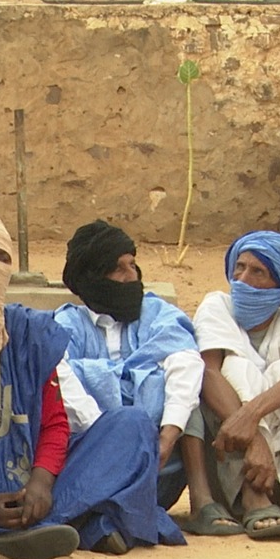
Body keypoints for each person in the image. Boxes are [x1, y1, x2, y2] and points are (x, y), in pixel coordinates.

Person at [0, 215, 185, 559]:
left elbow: (56, 421)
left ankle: (27, 526)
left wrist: (41, 484)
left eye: (2, 258)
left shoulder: (27, 333)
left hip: (38, 488)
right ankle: (46, 527)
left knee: (131, 426)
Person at [50, 219, 204, 511]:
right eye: (118, 268)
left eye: (132, 265)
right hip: (90, 461)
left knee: (188, 390)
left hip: (159, 463)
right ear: (93, 276)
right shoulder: (67, 323)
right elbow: (59, 376)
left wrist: (167, 437)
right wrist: (111, 440)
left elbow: (185, 364)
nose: (131, 276)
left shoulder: (158, 313)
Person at [186, 231, 280, 540]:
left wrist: (251, 416)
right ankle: (254, 496)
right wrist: (254, 440)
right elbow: (209, 372)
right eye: (239, 267)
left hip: (276, 451)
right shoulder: (217, 306)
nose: (242, 278)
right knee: (233, 368)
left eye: (257, 272)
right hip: (230, 461)